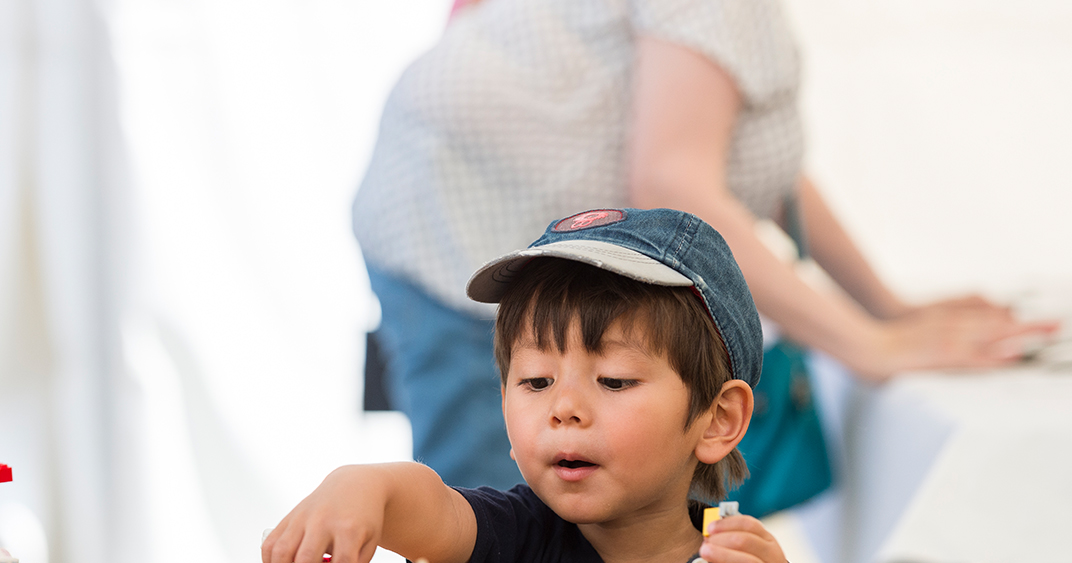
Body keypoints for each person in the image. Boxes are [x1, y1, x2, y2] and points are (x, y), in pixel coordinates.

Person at [353, 0, 1056, 510]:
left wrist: (886, 309)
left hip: (480, 193)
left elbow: (755, 168)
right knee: (499, 519)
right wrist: (868, 345)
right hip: (448, 217)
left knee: (594, 506)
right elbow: (672, 180)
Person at [265, 208, 827, 563]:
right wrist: (362, 488)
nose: (564, 408)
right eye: (535, 381)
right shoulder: (516, 538)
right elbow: (432, 507)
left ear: (718, 419)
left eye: (614, 380)